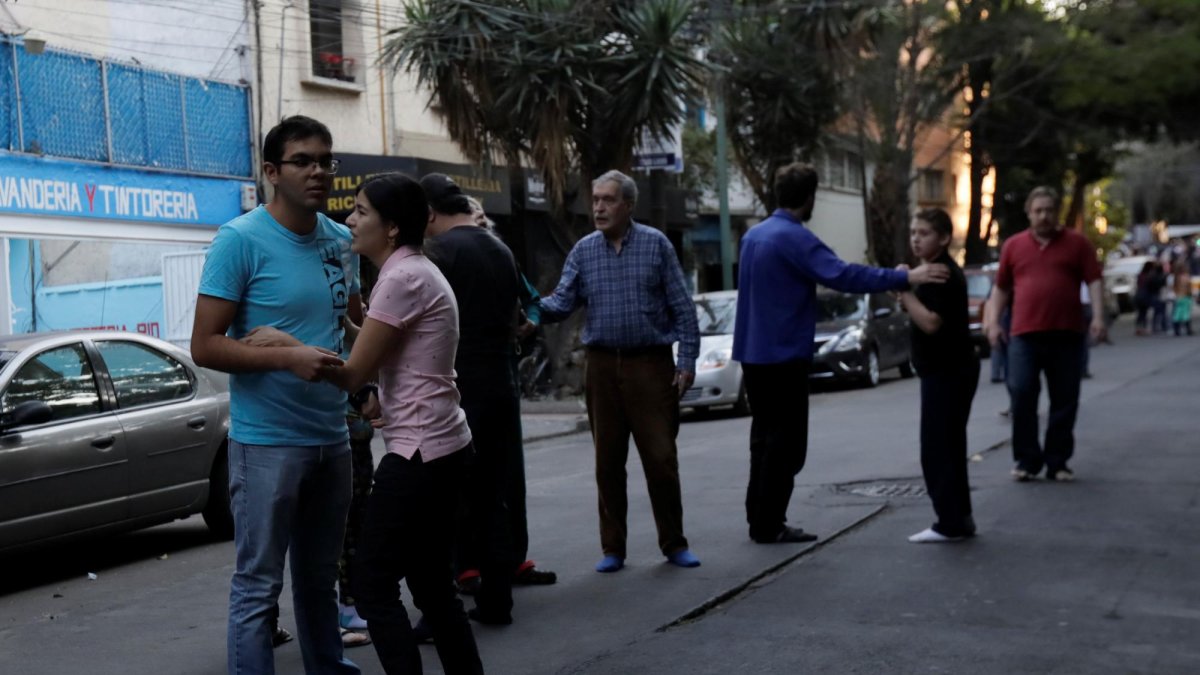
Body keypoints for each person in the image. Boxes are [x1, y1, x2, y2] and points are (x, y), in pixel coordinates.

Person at [190, 115, 359, 675]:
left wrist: (371, 382)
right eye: (303, 161)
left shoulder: (340, 242)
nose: (318, 172)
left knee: (318, 580)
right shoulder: (240, 240)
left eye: (326, 161)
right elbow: (206, 346)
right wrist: (288, 356)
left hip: (332, 439)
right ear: (270, 171)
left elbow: (350, 330)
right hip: (266, 445)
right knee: (258, 586)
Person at [731, 162, 949, 545]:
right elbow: (844, 275)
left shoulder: (754, 236)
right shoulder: (794, 238)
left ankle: (760, 518)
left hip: (753, 351)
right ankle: (770, 523)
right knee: (787, 443)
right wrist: (905, 277)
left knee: (763, 438)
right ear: (810, 198)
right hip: (784, 354)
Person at [325, 172, 484, 674]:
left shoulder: (400, 278)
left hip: (419, 453)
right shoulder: (415, 271)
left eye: (361, 211)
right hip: (442, 443)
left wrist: (277, 347)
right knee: (434, 587)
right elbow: (381, 341)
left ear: (392, 228)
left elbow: (354, 372)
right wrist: (345, 325)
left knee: (372, 585)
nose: (350, 220)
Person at [540, 169, 702, 573]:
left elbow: (683, 307)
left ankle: (674, 543)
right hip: (602, 367)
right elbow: (561, 302)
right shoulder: (583, 251)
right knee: (607, 461)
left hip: (650, 364)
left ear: (628, 205)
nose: (598, 207)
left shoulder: (656, 245)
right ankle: (613, 548)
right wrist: (528, 309)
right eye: (595, 199)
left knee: (661, 458)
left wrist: (686, 361)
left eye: (608, 200)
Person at [420, 173, 519, 624]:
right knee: (492, 497)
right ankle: (498, 600)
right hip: (499, 385)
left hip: (457, 390)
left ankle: (437, 610)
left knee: (441, 503)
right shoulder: (499, 248)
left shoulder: (440, 253)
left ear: (430, 213)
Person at [984, 186, 1105, 483]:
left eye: (1049, 210)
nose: (1044, 216)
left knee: (1065, 399)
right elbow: (1001, 288)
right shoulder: (1013, 246)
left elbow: (1095, 281)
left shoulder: (1077, 244)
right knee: (1022, 393)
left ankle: (1058, 461)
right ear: (1029, 213)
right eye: (1038, 211)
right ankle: (1026, 460)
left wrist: (1099, 318)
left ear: (1057, 212)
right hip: (1024, 335)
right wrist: (992, 322)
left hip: (1067, 334)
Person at [895, 209, 980, 543]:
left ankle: (950, 522)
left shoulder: (940, 273)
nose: (916, 238)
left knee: (938, 449)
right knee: (949, 446)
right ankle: (959, 517)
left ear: (944, 238)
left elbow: (930, 322)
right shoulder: (928, 273)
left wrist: (903, 290)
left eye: (925, 232)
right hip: (946, 370)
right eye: (914, 232)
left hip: (948, 371)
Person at [1172, 258, 1193, 336]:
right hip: (1185, 296)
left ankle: (1177, 330)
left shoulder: (1175, 277)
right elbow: (1188, 287)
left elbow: (1173, 288)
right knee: (1186, 313)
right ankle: (1188, 329)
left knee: (1177, 313)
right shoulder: (1185, 277)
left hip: (1178, 296)